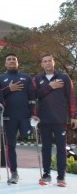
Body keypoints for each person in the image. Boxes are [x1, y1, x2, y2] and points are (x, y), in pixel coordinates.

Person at [32, 54, 77, 187]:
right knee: (45, 148)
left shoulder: (64, 77)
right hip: (44, 120)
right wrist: (50, 86)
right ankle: (46, 175)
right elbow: (34, 95)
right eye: (45, 61)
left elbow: (71, 97)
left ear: (54, 62)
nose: (47, 63)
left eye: (50, 61)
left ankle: (61, 177)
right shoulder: (37, 78)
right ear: (42, 64)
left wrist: (74, 116)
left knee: (61, 149)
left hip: (60, 120)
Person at [0, 53, 36, 184]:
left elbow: (32, 98)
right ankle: (14, 173)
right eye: (9, 59)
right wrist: (9, 89)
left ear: (17, 63)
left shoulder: (26, 77)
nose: (12, 61)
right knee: (10, 145)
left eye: (14, 59)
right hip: (8, 117)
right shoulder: (0, 78)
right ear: (5, 63)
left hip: (25, 116)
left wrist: (32, 114)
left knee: (28, 137)